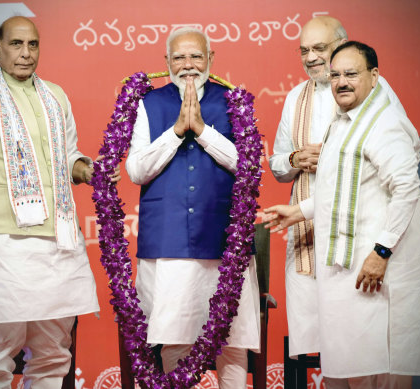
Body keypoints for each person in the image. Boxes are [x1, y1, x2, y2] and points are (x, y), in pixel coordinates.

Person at [0, 16, 118, 387]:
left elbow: (65, 157)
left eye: (32, 45)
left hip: (57, 243)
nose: (25, 53)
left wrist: (88, 171)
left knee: (55, 352)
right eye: (16, 44)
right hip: (0, 246)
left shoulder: (56, 96)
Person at [265, 41, 420, 388]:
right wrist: (297, 211)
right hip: (348, 270)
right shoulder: (344, 121)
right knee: (351, 365)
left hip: (374, 268)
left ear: (374, 76)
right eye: (336, 74)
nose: (341, 82)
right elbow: (339, 191)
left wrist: (381, 252)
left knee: (379, 369)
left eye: (351, 74)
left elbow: (407, 190)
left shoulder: (383, 123)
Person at [125, 27, 260, 389]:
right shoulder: (148, 104)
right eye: (179, 57)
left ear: (211, 60)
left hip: (224, 242)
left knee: (232, 341)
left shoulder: (236, 101)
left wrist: (201, 130)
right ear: (166, 62)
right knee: (176, 336)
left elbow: (249, 165)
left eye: (196, 56)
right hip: (168, 243)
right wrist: (174, 132)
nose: (188, 65)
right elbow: (136, 170)